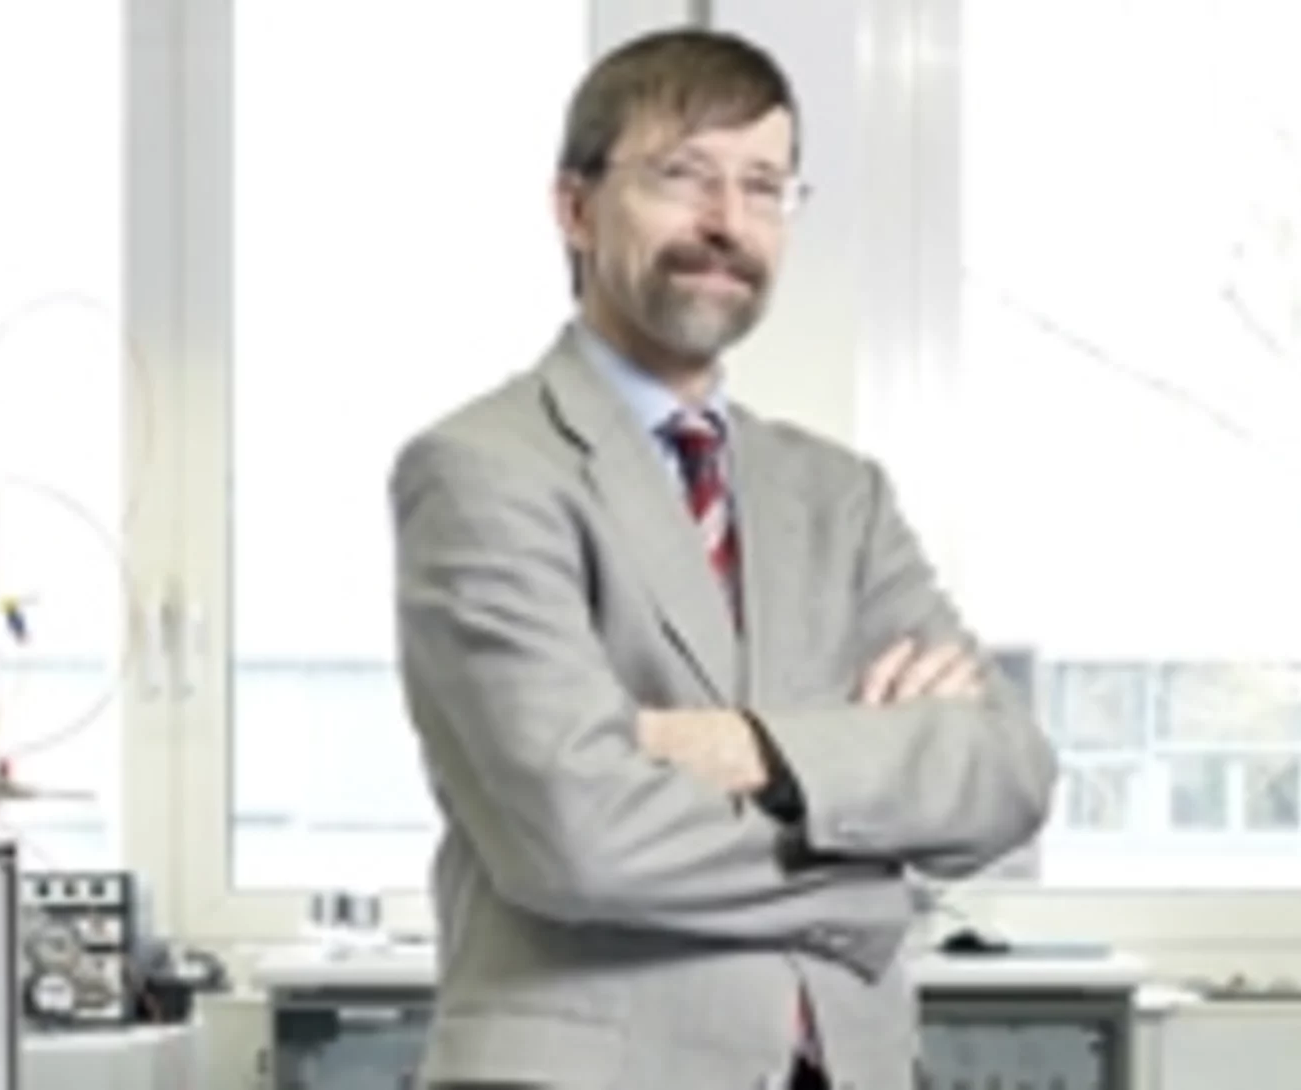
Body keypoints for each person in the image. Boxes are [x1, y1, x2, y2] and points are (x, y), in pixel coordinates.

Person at [391, 26, 1058, 1090]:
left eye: (763, 186)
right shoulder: (484, 470)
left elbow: (1007, 773)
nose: (727, 223)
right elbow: (577, 833)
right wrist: (871, 875)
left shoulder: (840, 497)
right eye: (682, 175)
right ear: (574, 208)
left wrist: (759, 749)